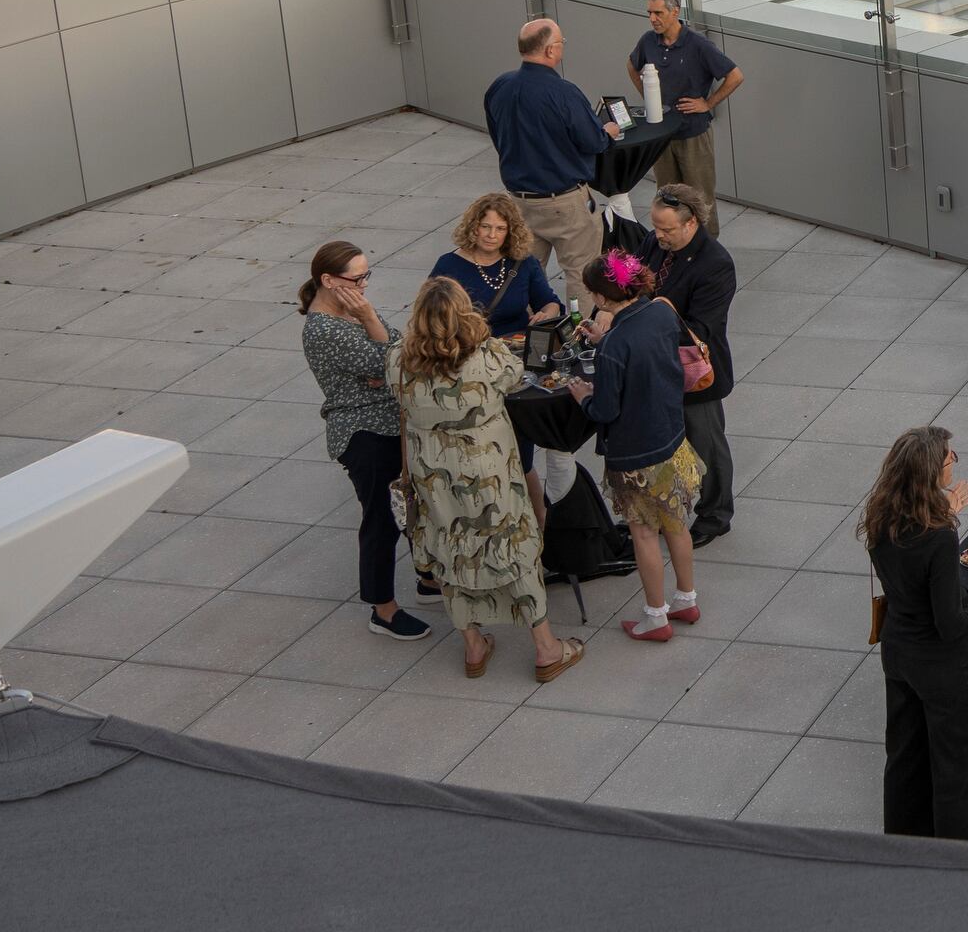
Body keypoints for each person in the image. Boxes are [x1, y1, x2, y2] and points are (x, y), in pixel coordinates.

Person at [388, 277, 584, 685]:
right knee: (514, 547)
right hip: (489, 472)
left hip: (434, 480)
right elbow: (518, 374)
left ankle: (474, 646)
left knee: (450, 549)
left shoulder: (399, 362)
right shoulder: (487, 356)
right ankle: (547, 649)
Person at [864, 425, 968, 839]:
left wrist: (946, 510)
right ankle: (950, 853)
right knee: (955, 768)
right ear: (931, 471)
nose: (954, 463)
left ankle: (902, 841)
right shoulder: (940, 538)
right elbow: (950, 623)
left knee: (905, 757)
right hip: (945, 668)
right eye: (950, 458)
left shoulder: (882, 515)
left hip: (898, 653)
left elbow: (910, 554)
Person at [299, 240, 430, 643]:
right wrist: (375, 327)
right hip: (364, 434)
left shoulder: (350, 312)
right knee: (382, 519)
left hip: (389, 426)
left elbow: (398, 348)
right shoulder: (324, 327)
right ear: (327, 280)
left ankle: (428, 579)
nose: (364, 286)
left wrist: (381, 344)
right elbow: (394, 361)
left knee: (413, 507)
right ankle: (383, 609)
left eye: (366, 275)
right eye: (357, 277)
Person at [569, 251, 701, 644]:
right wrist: (606, 338)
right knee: (676, 524)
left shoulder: (614, 347)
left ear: (604, 297)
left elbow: (606, 409)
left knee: (644, 534)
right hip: (672, 439)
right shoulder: (660, 312)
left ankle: (655, 616)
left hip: (635, 455)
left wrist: (582, 398)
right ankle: (687, 599)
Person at [611, 183, 738, 548]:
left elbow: (701, 327)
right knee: (663, 444)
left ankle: (715, 515)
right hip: (655, 364)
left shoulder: (716, 264)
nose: (658, 235)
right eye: (655, 226)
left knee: (706, 444)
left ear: (691, 223)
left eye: (667, 229)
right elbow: (631, 283)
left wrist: (646, 318)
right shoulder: (656, 243)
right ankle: (665, 510)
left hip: (695, 370)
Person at [483, 18, 620, 308]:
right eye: (561, 44)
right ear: (549, 50)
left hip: (519, 202)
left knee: (523, 276)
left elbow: (500, 140)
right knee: (582, 276)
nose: (562, 49)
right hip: (566, 203)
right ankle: (578, 342)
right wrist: (607, 133)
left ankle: (532, 336)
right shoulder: (564, 92)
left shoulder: (499, 87)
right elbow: (592, 142)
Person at [627, 0, 741, 235]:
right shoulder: (648, 41)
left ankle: (707, 250)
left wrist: (708, 103)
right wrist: (649, 98)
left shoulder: (698, 44)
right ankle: (673, 246)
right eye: (649, 13)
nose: (652, 18)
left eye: (658, 13)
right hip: (662, 136)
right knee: (667, 196)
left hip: (693, 135)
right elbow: (631, 65)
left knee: (699, 197)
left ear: (675, 12)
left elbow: (735, 75)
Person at [428, 194, 563, 342]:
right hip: (469, 349)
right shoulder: (448, 265)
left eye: (500, 228)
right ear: (474, 227)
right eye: (485, 226)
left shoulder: (523, 262)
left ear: (510, 232)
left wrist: (545, 316)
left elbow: (550, 303)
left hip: (515, 346)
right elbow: (430, 316)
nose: (492, 235)